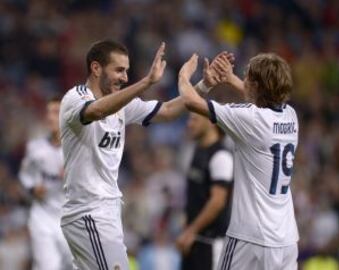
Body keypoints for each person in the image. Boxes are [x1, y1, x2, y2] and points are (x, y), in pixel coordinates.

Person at [59, 39, 232, 270]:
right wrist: (146, 82)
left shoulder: (121, 105)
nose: (124, 77)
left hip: (106, 211)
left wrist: (203, 86)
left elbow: (169, 111)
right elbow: (98, 110)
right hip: (88, 211)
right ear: (96, 68)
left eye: (127, 71)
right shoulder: (76, 98)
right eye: (119, 70)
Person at [178, 53, 299, 270]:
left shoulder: (250, 119)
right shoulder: (291, 116)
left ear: (255, 85)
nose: (243, 81)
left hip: (249, 237)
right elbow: (264, 99)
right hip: (286, 239)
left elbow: (190, 101)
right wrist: (230, 77)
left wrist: (184, 75)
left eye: (246, 77)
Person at [19, 97, 73, 270]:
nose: (50, 117)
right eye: (48, 112)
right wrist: (32, 189)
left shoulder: (77, 149)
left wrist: (73, 176)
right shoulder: (35, 147)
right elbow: (25, 176)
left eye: (56, 112)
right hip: (42, 217)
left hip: (71, 219)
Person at [176, 112, 233, 270]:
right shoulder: (197, 150)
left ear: (210, 121)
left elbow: (218, 201)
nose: (189, 124)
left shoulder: (221, 155)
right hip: (194, 241)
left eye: (194, 119)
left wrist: (190, 231)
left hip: (212, 244)